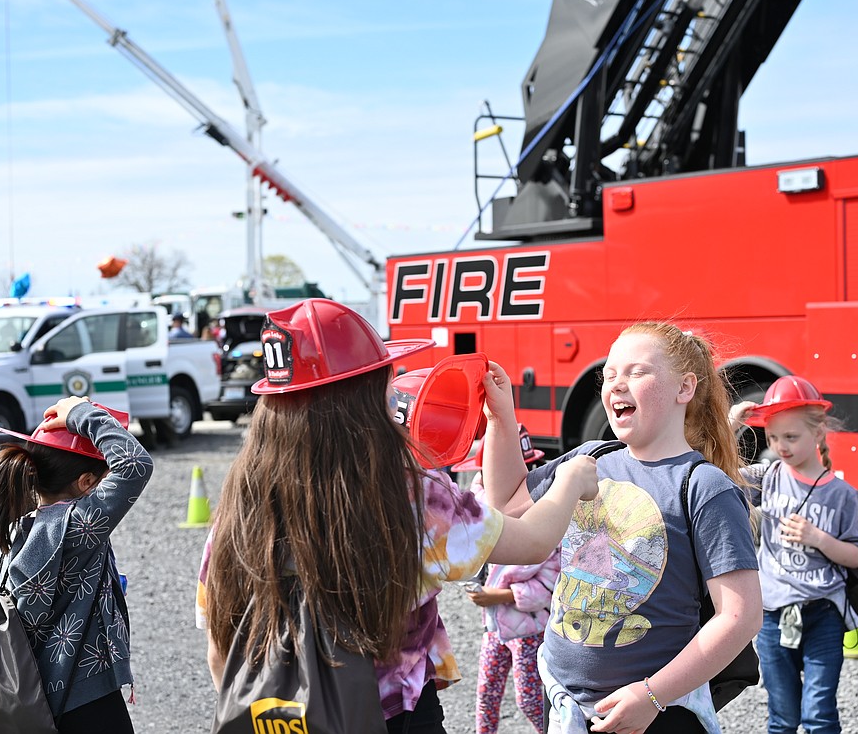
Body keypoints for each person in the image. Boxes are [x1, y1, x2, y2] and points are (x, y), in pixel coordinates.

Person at [195, 299, 599, 734]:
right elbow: (530, 541)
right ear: (364, 393)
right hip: (396, 718)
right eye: (387, 376)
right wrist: (571, 477)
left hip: (276, 718)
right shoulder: (408, 493)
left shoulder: (242, 501)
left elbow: (219, 641)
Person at [480, 321, 761, 734]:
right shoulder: (592, 457)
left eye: (636, 372)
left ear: (685, 388)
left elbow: (740, 616)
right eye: (609, 374)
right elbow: (506, 502)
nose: (616, 384)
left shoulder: (703, 486)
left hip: (655, 714)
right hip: (566, 705)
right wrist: (501, 418)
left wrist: (651, 695)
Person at [0, 396, 152, 733]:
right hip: (84, 696)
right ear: (87, 482)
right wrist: (80, 414)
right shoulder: (76, 528)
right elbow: (135, 464)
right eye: (103, 479)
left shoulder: (12, 529)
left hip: (29, 697)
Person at [729, 375, 858, 734]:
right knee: (782, 716)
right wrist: (731, 425)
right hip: (773, 616)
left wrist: (817, 537)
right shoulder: (769, 476)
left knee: (820, 715)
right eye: (773, 437)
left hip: (823, 613)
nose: (780, 446)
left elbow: (856, 556)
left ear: (818, 433)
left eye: (791, 437)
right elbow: (716, 472)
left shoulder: (842, 494)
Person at [461, 425, 556, 734]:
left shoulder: (547, 516)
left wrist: (496, 596)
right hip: (495, 627)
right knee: (485, 697)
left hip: (529, 631)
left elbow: (547, 589)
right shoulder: (484, 508)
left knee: (530, 700)